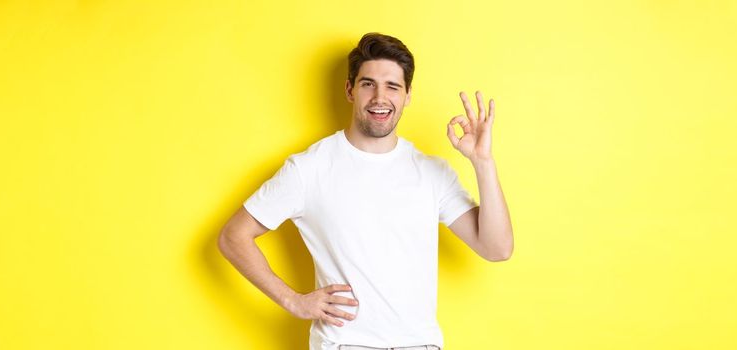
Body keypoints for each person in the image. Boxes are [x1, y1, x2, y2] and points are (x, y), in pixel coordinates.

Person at [217, 32, 514, 350]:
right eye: (368, 84)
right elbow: (233, 236)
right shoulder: (309, 168)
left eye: (392, 86)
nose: (379, 98)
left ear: (408, 95)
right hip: (345, 344)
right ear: (350, 89)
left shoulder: (432, 172)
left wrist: (482, 162)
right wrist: (293, 301)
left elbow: (497, 249)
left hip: (420, 345)